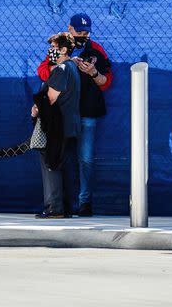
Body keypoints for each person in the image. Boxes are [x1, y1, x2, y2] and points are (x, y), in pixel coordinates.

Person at [36, 13, 112, 217]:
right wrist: (63, 65)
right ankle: (62, 204)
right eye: (79, 31)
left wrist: (93, 72)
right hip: (63, 112)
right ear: (70, 29)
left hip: (87, 111)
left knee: (85, 159)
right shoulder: (58, 48)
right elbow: (42, 71)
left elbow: (107, 82)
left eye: (86, 32)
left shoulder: (96, 49)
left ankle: (84, 202)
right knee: (61, 156)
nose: (83, 35)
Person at [32, 32, 81, 219]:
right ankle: (66, 207)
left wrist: (36, 109)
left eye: (54, 48)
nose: (50, 51)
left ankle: (54, 208)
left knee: (51, 164)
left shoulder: (61, 69)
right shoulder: (73, 68)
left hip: (57, 126)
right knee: (65, 166)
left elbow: (51, 98)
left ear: (64, 49)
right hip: (69, 125)